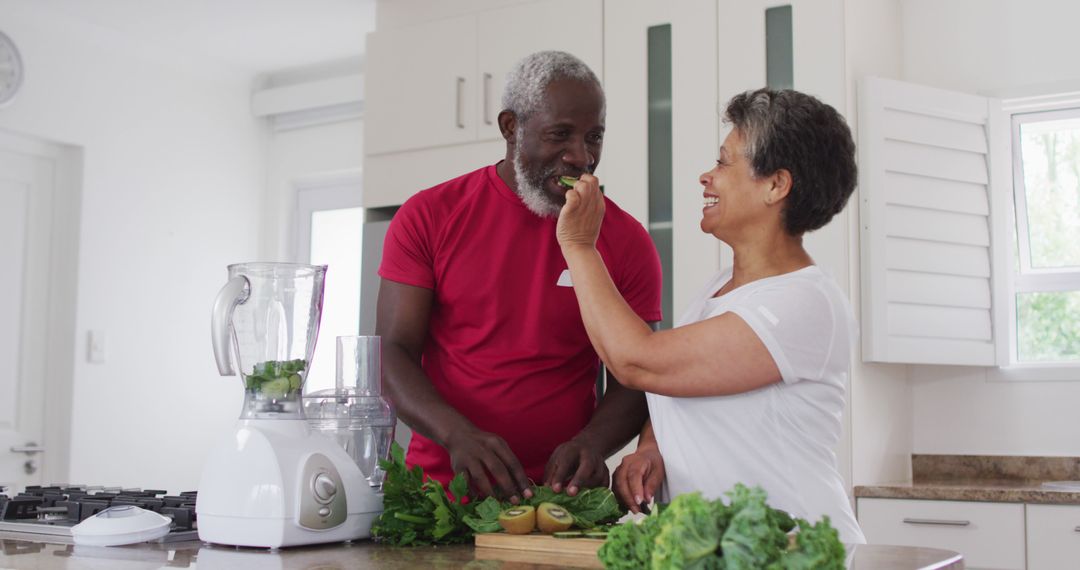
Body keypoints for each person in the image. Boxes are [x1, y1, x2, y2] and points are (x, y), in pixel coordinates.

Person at [555, 87, 866, 543]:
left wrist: (580, 246)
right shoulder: (717, 290)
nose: (707, 177)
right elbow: (682, 389)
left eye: (724, 163)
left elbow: (636, 361)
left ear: (776, 185)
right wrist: (653, 448)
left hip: (791, 550)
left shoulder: (803, 303)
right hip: (723, 549)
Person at [376, 51, 662, 503]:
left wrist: (593, 443)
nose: (581, 157)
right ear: (510, 127)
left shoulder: (626, 240)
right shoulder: (429, 216)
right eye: (560, 135)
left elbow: (637, 374)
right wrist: (456, 436)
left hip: (563, 502)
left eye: (594, 137)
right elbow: (392, 353)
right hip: (442, 495)